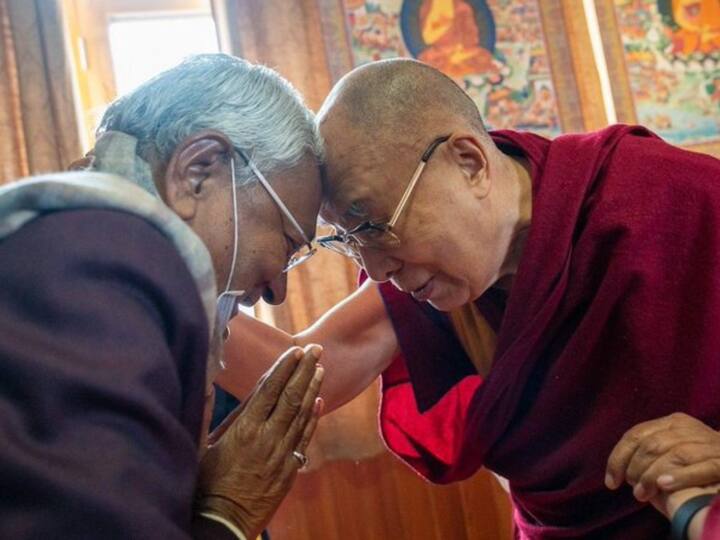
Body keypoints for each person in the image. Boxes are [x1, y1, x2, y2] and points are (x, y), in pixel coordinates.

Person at [219, 58, 720, 539]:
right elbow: (306, 372)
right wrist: (178, 270)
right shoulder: (436, 282)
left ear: (470, 162)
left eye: (374, 225)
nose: (376, 271)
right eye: (350, 242)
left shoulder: (670, 196)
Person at [0, 53, 326, 540]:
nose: (278, 289)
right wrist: (227, 515)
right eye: (287, 242)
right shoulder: (100, 260)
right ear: (197, 171)